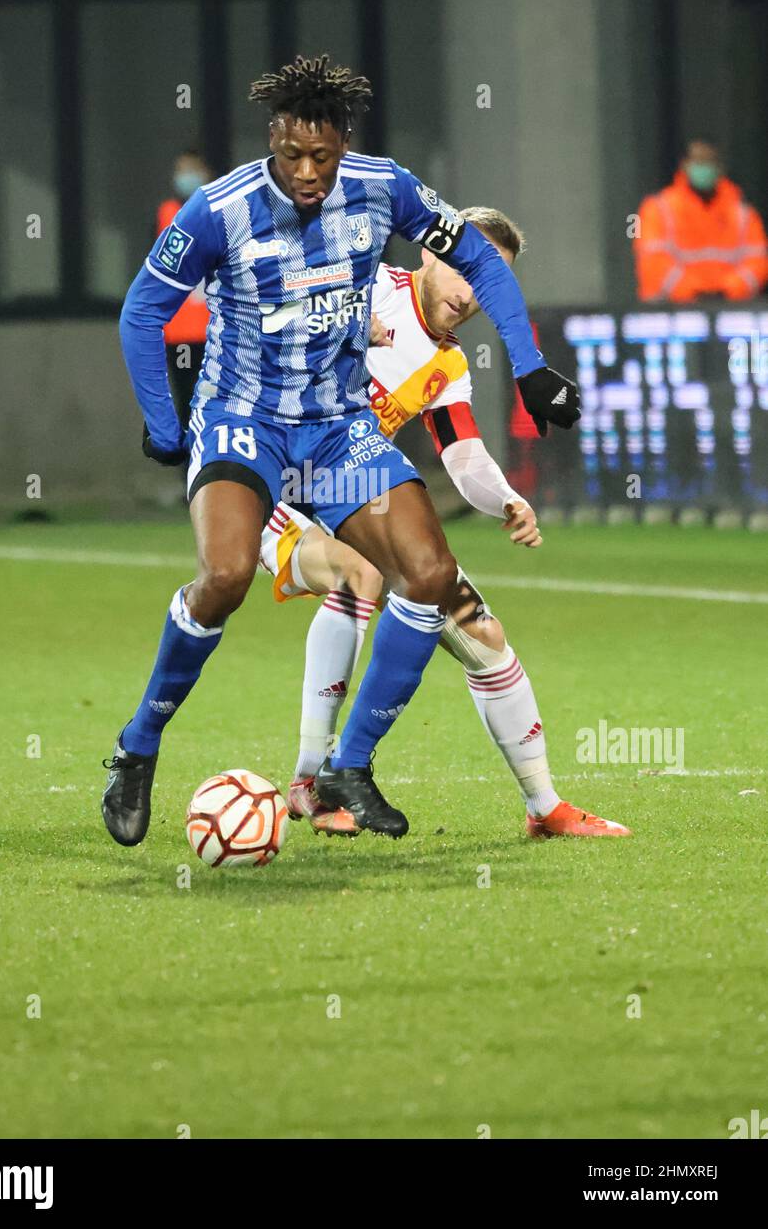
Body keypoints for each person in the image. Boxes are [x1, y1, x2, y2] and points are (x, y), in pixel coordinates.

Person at [102, 54, 580, 846]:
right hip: (242, 419)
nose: (307, 173)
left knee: (428, 574)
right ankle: (138, 747)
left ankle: (344, 767)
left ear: (343, 147)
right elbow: (142, 311)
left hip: (336, 427)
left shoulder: (384, 186)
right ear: (273, 141)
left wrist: (527, 368)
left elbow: (481, 258)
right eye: (292, 155)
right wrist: (164, 425)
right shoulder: (219, 210)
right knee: (223, 579)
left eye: (321, 157)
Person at [259, 207, 629, 839]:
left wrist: (508, 498)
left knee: (485, 638)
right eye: (463, 268)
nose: (468, 291)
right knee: (361, 573)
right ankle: (310, 780)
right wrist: (343, 326)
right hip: (281, 492)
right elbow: (270, 317)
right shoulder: (367, 285)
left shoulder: (449, 365)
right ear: (430, 253)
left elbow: (463, 457)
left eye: (485, 283)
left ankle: (545, 809)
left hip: (363, 507)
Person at [634, 140, 768, 302]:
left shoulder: (744, 215)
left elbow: (757, 263)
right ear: (684, 165)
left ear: (720, 167)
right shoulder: (657, 209)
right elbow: (653, 262)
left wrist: (727, 291)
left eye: (709, 161)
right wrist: (693, 293)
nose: (704, 168)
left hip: (729, 311)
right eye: (698, 161)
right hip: (670, 313)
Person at [155, 150, 214, 426]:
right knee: (185, 406)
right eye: (181, 170)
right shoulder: (165, 214)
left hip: (214, 332)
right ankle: (190, 467)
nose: (186, 177)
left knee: (214, 404)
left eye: (192, 169)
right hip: (177, 333)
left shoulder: (218, 210)